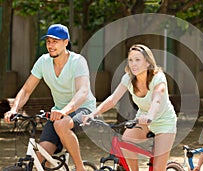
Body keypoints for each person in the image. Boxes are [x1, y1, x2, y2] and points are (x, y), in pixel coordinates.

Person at [4, 24, 96, 171]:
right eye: (48, 41)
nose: (50, 45)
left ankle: (80, 168)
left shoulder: (77, 61)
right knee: (40, 160)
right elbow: (26, 90)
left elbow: (83, 92)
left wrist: (64, 111)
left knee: (61, 124)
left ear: (66, 42)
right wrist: (14, 109)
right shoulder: (43, 62)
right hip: (57, 113)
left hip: (83, 109)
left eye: (55, 41)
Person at [82, 44, 177, 171]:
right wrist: (93, 114)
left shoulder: (158, 77)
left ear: (148, 63)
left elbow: (157, 100)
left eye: (138, 60)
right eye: (130, 60)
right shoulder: (128, 78)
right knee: (126, 141)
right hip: (143, 119)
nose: (133, 64)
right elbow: (113, 99)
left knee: (158, 169)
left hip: (164, 121)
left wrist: (150, 116)